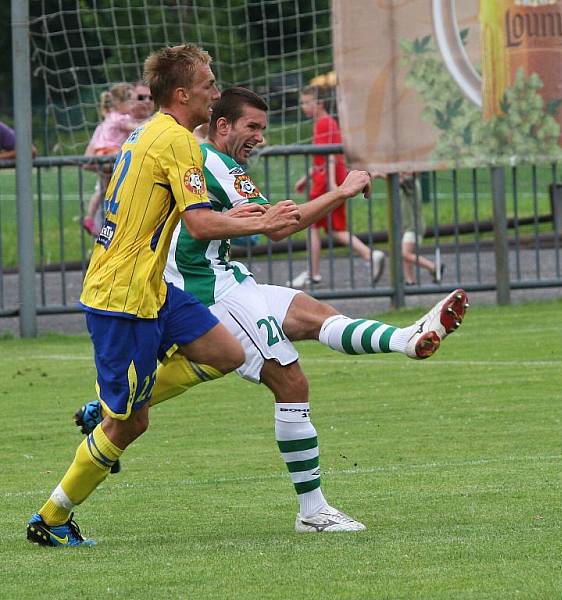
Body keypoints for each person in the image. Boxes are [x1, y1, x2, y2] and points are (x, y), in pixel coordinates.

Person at [72, 87, 469, 533]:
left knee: (315, 316)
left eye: (263, 128)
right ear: (222, 125)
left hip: (229, 279)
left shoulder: (211, 160)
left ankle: (407, 341)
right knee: (291, 380)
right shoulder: (213, 163)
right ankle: (313, 512)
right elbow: (284, 226)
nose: (260, 137)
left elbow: (270, 220)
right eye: (252, 127)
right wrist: (344, 190)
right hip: (211, 294)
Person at [25, 44, 319, 548]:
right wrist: (261, 220)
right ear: (183, 94)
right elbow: (200, 223)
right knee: (131, 424)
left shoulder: (150, 132)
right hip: (123, 297)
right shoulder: (179, 142)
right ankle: (51, 517)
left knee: (226, 350)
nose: (215, 91)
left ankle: (108, 407)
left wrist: (250, 218)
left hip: (152, 287)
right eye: (208, 83)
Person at [292, 85, 385, 287]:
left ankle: (314, 273)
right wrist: (307, 176)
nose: (303, 107)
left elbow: (330, 157)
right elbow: (323, 158)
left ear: (320, 103)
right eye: (302, 102)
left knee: (310, 224)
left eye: (307, 102)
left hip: (325, 183)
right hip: (325, 180)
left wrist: (334, 184)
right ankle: (370, 255)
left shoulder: (324, 123)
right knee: (334, 229)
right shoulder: (326, 123)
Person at [81, 83, 137, 236]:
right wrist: (152, 121)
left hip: (101, 155)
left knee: (104, 190)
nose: (133, 106)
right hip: (111, 155)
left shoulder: (107, 119)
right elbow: (135, 128)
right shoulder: (121, 118)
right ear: (120, 103)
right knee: (116, 188)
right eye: (131, 102)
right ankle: (114, 218)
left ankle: (89, 217)